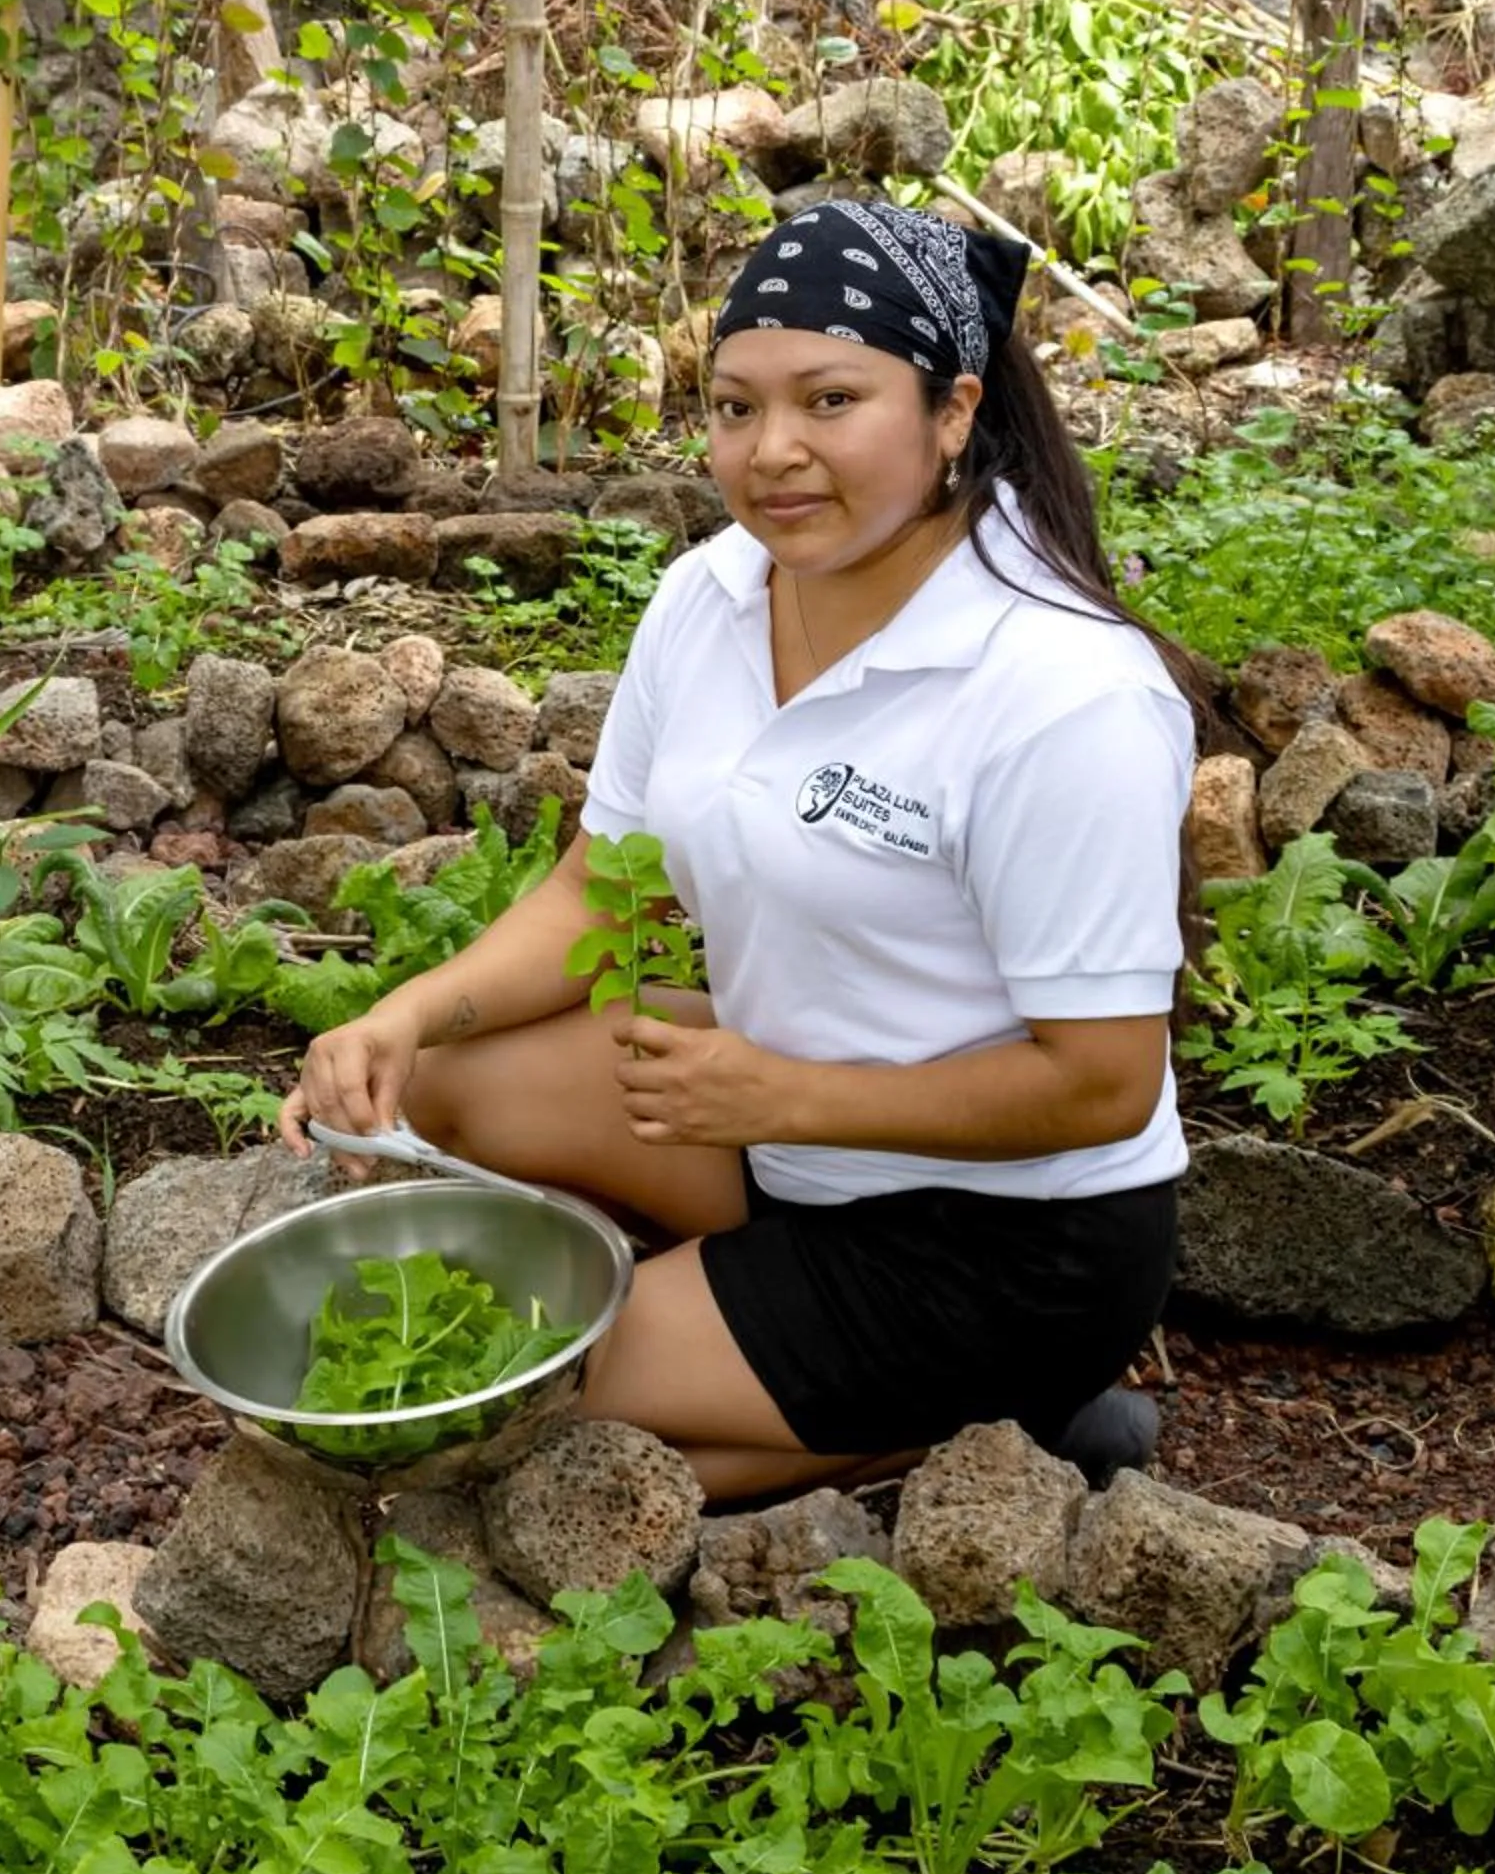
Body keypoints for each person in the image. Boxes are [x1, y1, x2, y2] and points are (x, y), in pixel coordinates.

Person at [280, 199, 1213, 1503]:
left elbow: (1102, 1084)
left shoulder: (1063, 690)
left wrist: (777, 1095)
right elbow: (609, 894)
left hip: (1005, 1236)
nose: (772, 451)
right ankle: (836, 1378)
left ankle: (1004, 1420)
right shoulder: (712, 595)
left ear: (954, 411)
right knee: (432, 1087)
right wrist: (405, 1012)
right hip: (779, 1138)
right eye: (733, 407)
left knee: (505, 1413)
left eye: (830, 401)